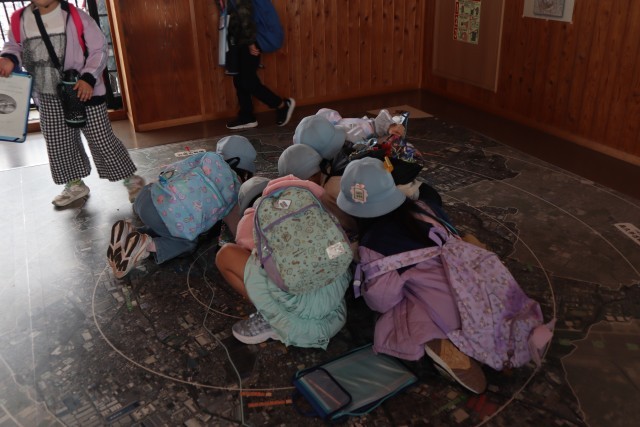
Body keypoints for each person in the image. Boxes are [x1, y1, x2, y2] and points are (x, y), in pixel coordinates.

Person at [336, 157, 553, 394]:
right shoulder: (425, 208)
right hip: (481, 289)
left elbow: (382, 300)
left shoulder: (374, 245)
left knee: (394, 315)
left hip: (447, 312)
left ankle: (440, 340)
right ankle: (486, 341)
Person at [0, 0, 145, 207]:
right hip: (47, 95)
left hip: (83, 91)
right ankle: (75, 184)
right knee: (59, 142)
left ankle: (131, 179)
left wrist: (88, 77)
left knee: (101, 138)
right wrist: (8, 58)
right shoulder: (19, 20)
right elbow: (14, 46)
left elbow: (99, 50)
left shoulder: (77, 16)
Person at [215, 174, 352, 348]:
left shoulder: (253, 216)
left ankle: (270, 319)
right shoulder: (308, 201)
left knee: (226, 255)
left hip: (299, 324)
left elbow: (248, 250)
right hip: (334, 314)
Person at [107, 135, 257, 279]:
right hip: (167, 216)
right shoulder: (235, 189)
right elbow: (238, 230)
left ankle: (132, 235)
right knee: (187, 243)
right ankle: (145, 246)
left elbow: (171, 170)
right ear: (245, 172)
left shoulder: (206, 158)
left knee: (168, 226)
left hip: (147, 196)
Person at [224, 0, 295, 130]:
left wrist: (250, 42)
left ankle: (282, 105)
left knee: (248, 81)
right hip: (241, 38)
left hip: (250, 38)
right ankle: (247, 117)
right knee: (239, 80)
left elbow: (245, 14)